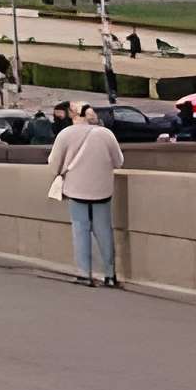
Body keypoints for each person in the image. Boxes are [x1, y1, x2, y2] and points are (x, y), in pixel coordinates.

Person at [44, 103, 123, 288]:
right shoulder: (106, 134)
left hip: (76, 188)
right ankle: (110, 275)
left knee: (80, 230)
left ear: (73, 115)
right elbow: (118, 161)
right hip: (102, 189)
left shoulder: (65, 135)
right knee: (104, 231)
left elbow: (54, 165)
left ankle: (84, 274)